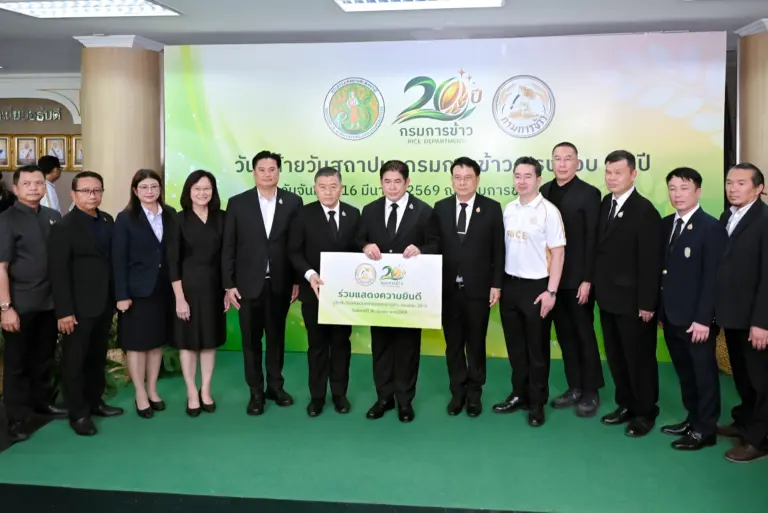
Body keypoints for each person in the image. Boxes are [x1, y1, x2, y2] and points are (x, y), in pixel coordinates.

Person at [355, 160, 439, 423]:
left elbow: (437, 244)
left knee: (407, 347)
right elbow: (357, 239)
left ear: (407, 182)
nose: (392, 187)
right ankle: (383, 398)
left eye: (397, 181)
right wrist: (365, 246)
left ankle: (404, 401)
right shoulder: (369, 210)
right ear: (381, 182)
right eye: (387, 181)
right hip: (379, 295)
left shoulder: (424, 211)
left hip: (410, 295)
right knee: (381, 346)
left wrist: (421, 250)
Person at [222, 151, 302, 415]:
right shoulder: (238, 203)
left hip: (280, 283)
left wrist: (296, 280)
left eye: (272, 169)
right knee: (251, 342)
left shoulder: (293, 202)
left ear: (279, 172)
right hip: (247, 286)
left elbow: (296, 245)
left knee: (277, 339)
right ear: (254, 172)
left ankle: (276, 387)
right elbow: (229, 246)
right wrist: (229, 284)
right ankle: (256, 392)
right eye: (262, 169)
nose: (267, 174)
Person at [48, 171, 124, 436]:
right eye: (86, 191)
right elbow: (58, 272)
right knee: (75, 361)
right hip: (77, 308)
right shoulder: (64, 227)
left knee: (96, 356)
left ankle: (95, 402)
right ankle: (78, 413)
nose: (92, 195)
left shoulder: (107, 220)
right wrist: (64, 311)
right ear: (74, 194)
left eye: (97, 190)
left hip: (104, 303)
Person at [594, 150, 662, 438]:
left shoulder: (644, 211)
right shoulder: (604, 204)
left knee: (639, 359)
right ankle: (626, 404)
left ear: (633, 174)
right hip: (608, 298)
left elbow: (651, 262)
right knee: (616, 356)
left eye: (618, 173)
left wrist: (647, 303)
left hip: (634, 303)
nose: (612, 178)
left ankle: (645, 411)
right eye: (608, 172)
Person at [492, 157, 565, 427]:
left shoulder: (549, 211)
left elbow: (558, 254)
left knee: (537, 350)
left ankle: (537, 403)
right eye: (517, 176)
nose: (522, 181)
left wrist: (551, 292)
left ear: (538, 180)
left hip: (537, 287)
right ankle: (518, 395)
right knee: (516, 348)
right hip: (510, 285)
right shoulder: (509, 209)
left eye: (527, 176)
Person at [658, 167, 727, 451]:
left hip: (696, 321)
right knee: (685, 373)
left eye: (684, 188)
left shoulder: (711, 228)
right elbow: (663, 273)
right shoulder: (666, 224)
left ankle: (706, 430)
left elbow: (713, 278)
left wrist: (704, 319)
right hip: (671, 316)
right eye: (673, 188)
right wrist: (661, 313)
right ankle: (692, 419)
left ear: (698, 192)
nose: (678, 194)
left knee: (703, 375)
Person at [432, 157, 504, 417]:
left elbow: (499, 250)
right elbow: (434, 245)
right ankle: (457, 393)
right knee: (453, 345)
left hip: (478, 289)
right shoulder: (440, 208)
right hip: (448, 290)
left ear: (477, 179)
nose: (462, 182)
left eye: (467, 177)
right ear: (452, 179)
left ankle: (474, 393)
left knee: (475, 343)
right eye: (457, 177)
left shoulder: (492, 208)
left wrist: (496, 284)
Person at [0, 165, 66, 443]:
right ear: (16, 188)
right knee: (17, 364)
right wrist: (6, 308)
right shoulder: (7, 219)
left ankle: (42, 403)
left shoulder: (53, 216)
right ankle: (16, 418)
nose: (34, 188)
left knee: (43, 358)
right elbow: (1, 267)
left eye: (38, 183)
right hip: (20, 305)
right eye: (27, 184)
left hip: (49, 303)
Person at [288, 167, 360, 417]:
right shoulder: (302, 215)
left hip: (344, 295)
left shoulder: (353, 214)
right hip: (314, 292)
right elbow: (294, 252)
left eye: (333, 186)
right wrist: (310, 275)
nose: (328, 192)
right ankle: (317, 397)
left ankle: (339, 394)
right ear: (315, 189)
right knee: (317, 346)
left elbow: (359, 250)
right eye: (322, 187)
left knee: (341, 344)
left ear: (341, 188)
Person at [540, 142, 604, 417]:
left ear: (577, 163)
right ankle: (574, 386)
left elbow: (593, 240)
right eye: (557, 158)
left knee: (583, 335)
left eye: (568, 159)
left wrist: (588, 279)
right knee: (564, 335)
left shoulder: (589, 194)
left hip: (578, 280)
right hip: (552, 280)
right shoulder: (543, 191)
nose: (562, 163)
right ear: (552, 163)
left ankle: (591, 390)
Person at [112, 169, 176, 419]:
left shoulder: (170, 214)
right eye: (144, 187)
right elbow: (118, 260)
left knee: (156, 343)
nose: (150, 192)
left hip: (163, 290)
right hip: (136, 293)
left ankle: (152, 389)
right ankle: (140, 392)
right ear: (135, 191)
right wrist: (121, 295)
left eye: (154, 187)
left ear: (160, 189)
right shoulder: (125, 218)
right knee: (137, 345)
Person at [715, 163, 768, 463]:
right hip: (732, 316)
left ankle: (759, 439)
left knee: (760, 382)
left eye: (741, 183)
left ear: (758, 188)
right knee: (743, 377)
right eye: (729, 182)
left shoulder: (765, 220)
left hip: (754, 321)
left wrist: (762, 322)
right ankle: (744, 423)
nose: (732, 188)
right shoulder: (728, 216)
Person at [168, 170, 228, 417]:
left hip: (215, 288)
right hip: (188, 288)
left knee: (209, 342)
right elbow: (173, 262)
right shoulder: (178, 219)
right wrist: (179, 298)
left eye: (207, 188)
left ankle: (206, 390)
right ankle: (192, 392)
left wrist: (227, 289)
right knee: (188, 344)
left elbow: (228, 256)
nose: (202, 193)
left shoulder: (222, 218)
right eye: (197, 189)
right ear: (188, 191)